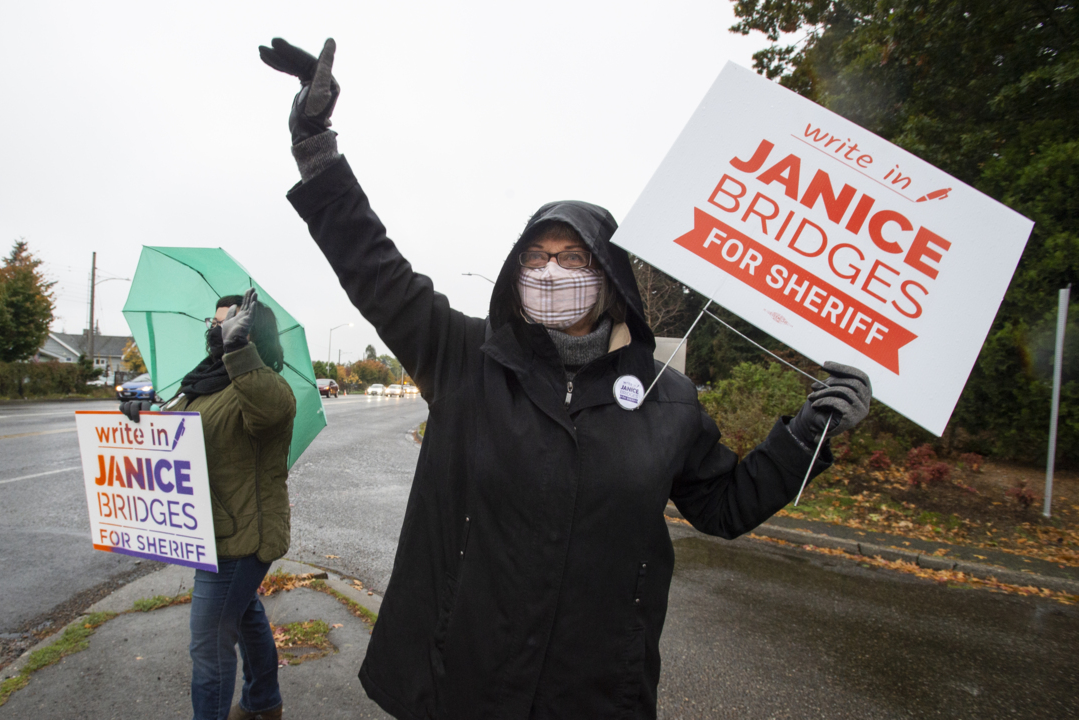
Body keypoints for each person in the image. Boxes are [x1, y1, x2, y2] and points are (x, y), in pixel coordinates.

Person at [260, 38, 871, 720]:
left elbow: (724, 506)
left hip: (594, 694)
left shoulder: (668, 399)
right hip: (461, 683)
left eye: (573, 256)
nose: (551, 272)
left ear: (609, 278)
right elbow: (372, 265)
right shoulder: (466, 358)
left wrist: (809, 434)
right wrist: (315, 144)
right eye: (536, 257)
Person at [121, 289, 296, 720]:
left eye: (227, 325)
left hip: (242, 536)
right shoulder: (205, 382)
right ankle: (263, 701)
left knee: (208, 642)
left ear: (250, 334)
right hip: (210, 529)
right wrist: (142, 418)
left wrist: (239, 351)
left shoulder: (264, 386)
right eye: (214, 324)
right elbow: (183, 438)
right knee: (245, 614)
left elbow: (269, 413)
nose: (215, 331)